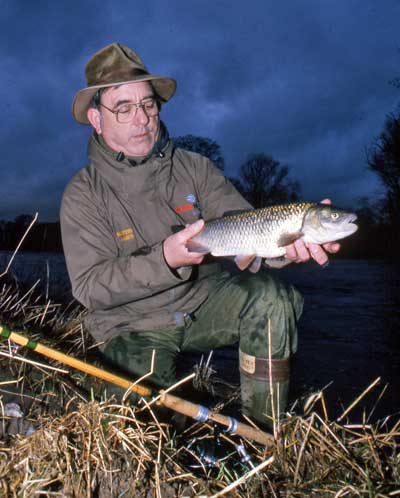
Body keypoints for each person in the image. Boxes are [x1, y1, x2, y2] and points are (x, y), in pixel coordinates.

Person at [60, 42, 340, 428]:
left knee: (274, 298)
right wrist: (164, 261)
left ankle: (264, 433)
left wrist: (288, 247)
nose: (141, 119)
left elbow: (249, 228)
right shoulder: (82, 194)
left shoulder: (196, 167)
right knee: (130, 416)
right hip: (132, 325)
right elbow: (90, 288)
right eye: (123, 108)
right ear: (96, 119)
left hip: (203, 304)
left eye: (148, 104)